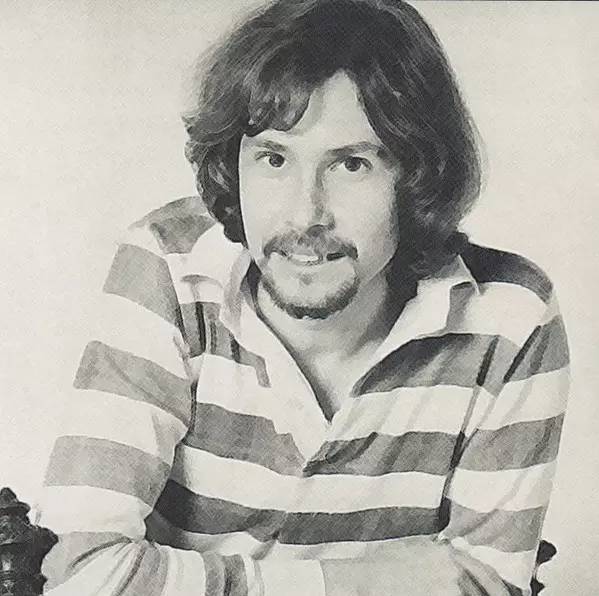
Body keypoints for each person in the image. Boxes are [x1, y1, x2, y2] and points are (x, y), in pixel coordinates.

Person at [36, 0, 570, 594]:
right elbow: (81, 572)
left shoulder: (508, 319)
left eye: (351, 164)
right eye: (273, 158)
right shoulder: (171, 268)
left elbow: (486, 586)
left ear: (418, 176)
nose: (304, 213)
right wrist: (367, 583)